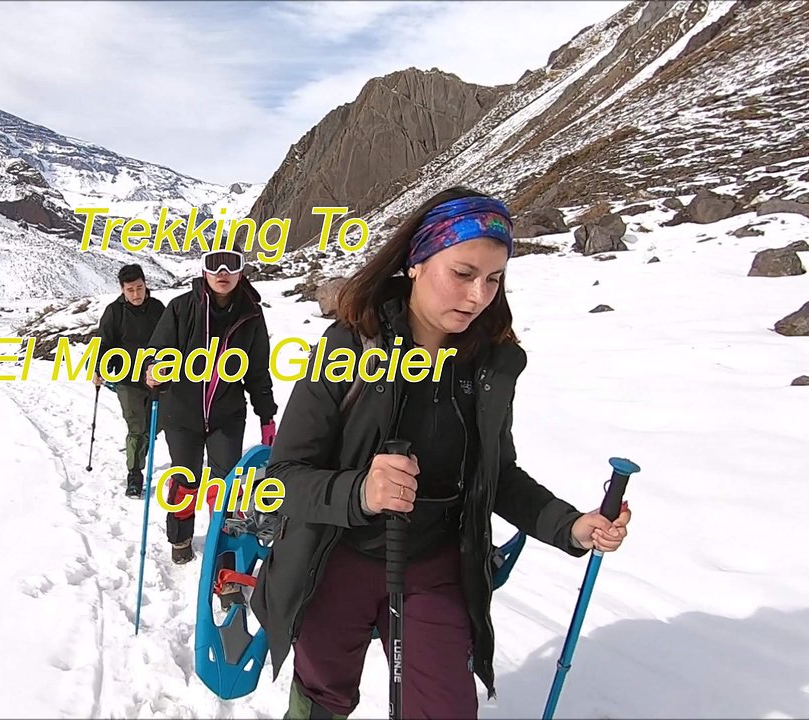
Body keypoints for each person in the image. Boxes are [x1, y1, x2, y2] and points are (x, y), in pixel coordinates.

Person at [249, 187, 634, 719]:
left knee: (443, 708)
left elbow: (495, 475)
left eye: (494, 279)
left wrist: (571, 526)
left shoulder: (489, 365)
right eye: (463, 273)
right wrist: (360, 490)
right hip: (335, 558)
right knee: (323, 696)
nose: (479, 295)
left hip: (433, 565)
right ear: (416, 261)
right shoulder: (347, 347)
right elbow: (284, 478)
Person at [144, 248, 279, 565]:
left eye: (232, 264)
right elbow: (159, 349)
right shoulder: (181, 308)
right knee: (185, 480)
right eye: (214, 263)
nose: (222, 271)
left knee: (226, 486)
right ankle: (181, 536)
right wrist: (153, 368)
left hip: (227, 417)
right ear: (203, 270)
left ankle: (224, 548)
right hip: (181, 415)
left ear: (242, 271)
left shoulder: (251, 315)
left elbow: (258, 370)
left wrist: (266, 416)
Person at [93, 263, 165, 497]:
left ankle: (143, 442)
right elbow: (103, 343)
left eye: (139, 288)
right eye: (130, 290)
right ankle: (135, 476)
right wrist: (99, 369)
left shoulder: (158, 308)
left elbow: (170, 339)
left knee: (153, 426)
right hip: (128, 379)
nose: (136, 294)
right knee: (136, 428)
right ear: (122, 290)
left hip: (157, 377)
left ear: (146, 285)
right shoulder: (114, 311)